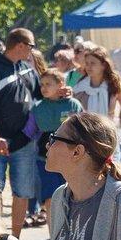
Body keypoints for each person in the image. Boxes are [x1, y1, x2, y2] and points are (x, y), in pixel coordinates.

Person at [0, 27, 41, 236]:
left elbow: (40, 98)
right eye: (31, 45)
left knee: (22, 192)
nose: (32, 50)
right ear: (20, 45)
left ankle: (15, 239)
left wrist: (60, 93)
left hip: (24, 143)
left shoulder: (28, 69)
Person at [31, 69, 82, 205]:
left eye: (48, 84)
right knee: (51, 199)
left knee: (71, 198)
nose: (44, 88)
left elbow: (82, 130)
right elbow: (28, 132)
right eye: (42, 84)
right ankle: (52, 227)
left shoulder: (73, 105)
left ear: (61, 84)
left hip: (70, 159)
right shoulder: (38, 107)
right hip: (45, 159)